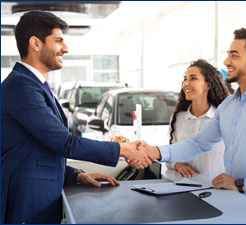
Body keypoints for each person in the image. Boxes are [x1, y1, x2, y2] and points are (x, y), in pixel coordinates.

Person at [1, 10, 152, 224]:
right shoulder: (21, 86)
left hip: (40, 197)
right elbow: (63, 142)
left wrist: (76, 176)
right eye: (58, 40)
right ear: (35, 43)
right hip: (27, 202)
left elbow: (39, 151)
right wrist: (124, 149)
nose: (66, 48)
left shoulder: (35, 85)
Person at [140, 27, 246, 215]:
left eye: (234, 56)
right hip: (233, 202)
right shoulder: (229, 105)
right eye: (227, 55)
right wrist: (156, 151)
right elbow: (200, 143)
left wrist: (242, 185)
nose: (226, 62)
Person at [165, 59, 229, 179]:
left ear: (208, 84)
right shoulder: (178, 118)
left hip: (218, 190)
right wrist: (179, 165)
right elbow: (170, 153)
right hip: (186, 188)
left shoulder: (224, 116)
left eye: (193, 78)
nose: (186, 84)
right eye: (185, 79)